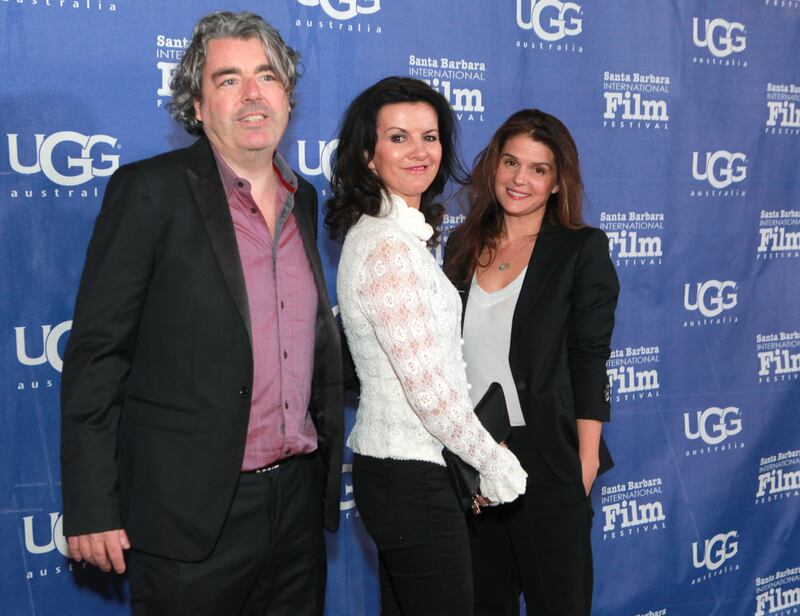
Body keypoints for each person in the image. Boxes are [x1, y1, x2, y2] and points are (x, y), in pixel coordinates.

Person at [60, 11, 343, 615]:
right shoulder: (148, 191)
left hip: (296, 509)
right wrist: (91, 505)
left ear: (287, 96)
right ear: (196, 103)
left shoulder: (306, 199)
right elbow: (97, 358)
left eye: (267, 76)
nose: (251, 95)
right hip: (188, 514)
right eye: (228, 79)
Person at [326, 77, 527, 616]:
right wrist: (493, 461)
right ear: (368, 154)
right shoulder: (388, 248)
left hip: (403, 472)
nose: (420, 151)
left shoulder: (394, 235)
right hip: (409, 477)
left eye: (430, 136)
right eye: (398, 137)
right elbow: (428, 389)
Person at [444, 109, 620, 616]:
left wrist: (584, 465)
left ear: (558, 181)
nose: (520, 179)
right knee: (483, 604)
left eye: (538, 169)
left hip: (548, 456)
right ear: (493, 167)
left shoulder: (581, 249)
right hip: (476, 454)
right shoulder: (461, 245)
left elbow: (590, 358)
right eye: (510, 163)